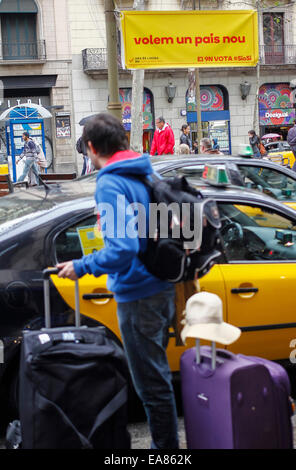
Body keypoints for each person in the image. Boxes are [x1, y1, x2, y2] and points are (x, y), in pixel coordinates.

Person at [56, 113, 179, 449]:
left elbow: (123, 247)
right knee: (157, 379)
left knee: (151, 386)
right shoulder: (144, 170)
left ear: (92, 148)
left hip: (138, 293)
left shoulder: (111, 183)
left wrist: (82, 266)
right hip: (160, 285)